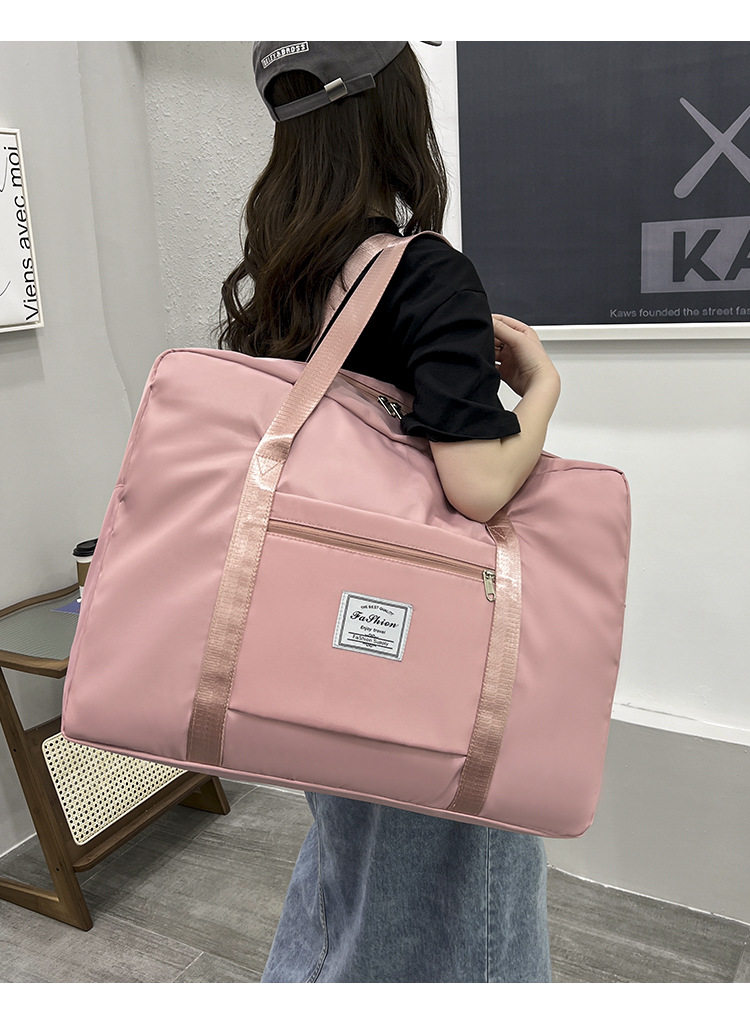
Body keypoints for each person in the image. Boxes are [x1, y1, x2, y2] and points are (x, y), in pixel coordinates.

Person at [217, 41, 561, 983]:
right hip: (420, 650)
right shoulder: (423, 271)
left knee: (350, 877)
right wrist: (541, 389)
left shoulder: (285, 275)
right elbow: (478, 484)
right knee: (461, 908)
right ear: (396, 113)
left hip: (312, 642)